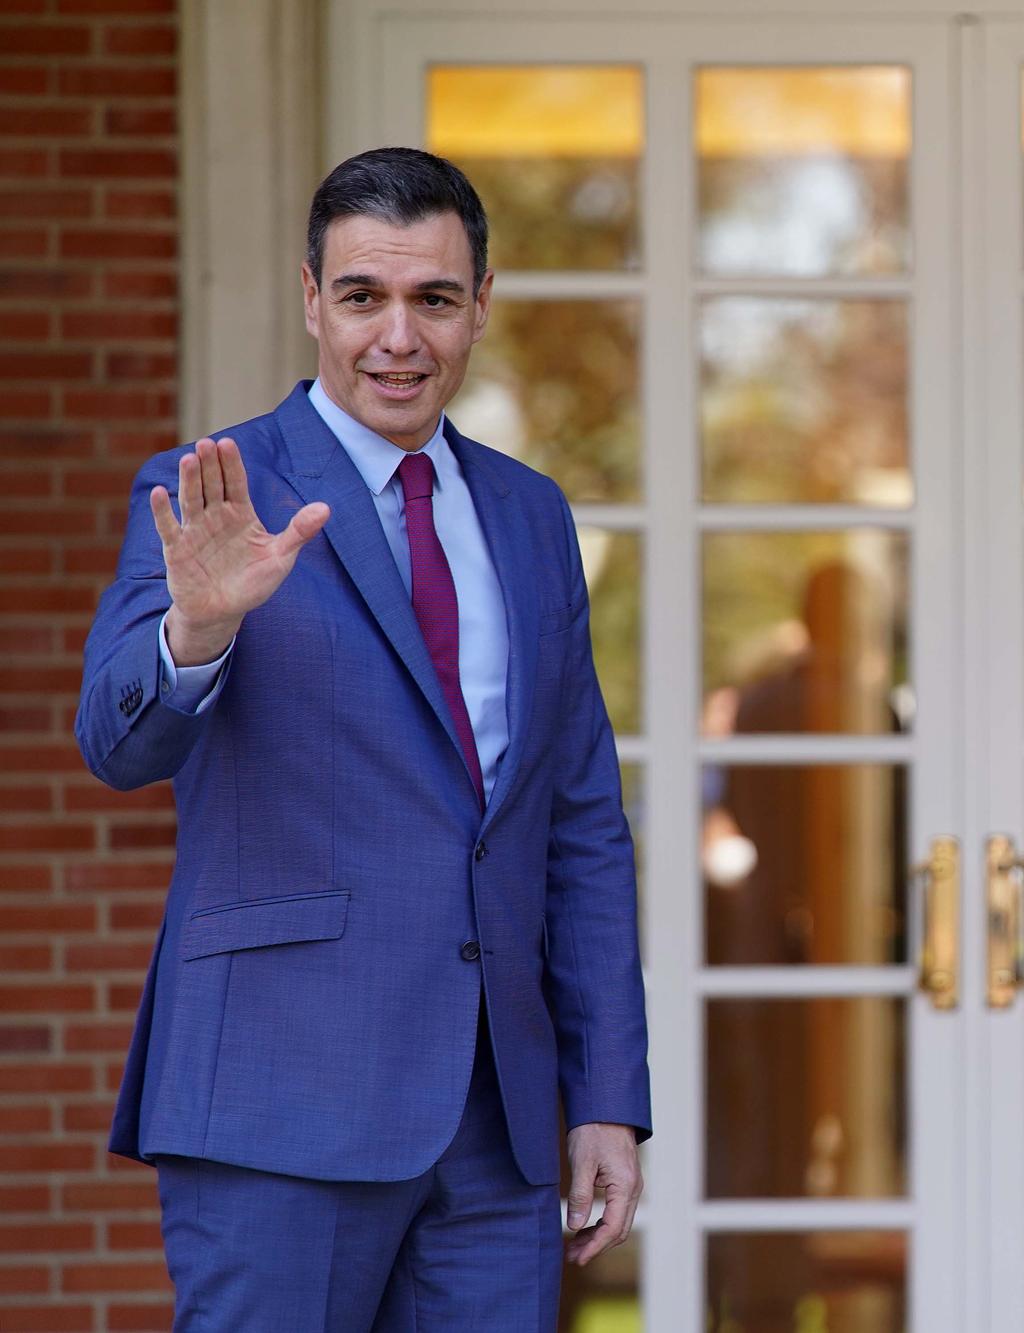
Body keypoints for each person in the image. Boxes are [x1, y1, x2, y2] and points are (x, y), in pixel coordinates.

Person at [74, 147, 650, 1330]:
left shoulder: (531, 517)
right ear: (310, 301)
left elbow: (578, 821)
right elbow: (114, 743)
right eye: (362, 298)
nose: (399, 336)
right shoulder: (214, 492)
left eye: (434, 299)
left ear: (479, 306)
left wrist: (604, 1095)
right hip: (278, 1102)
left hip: (494, 1126)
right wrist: (198, 624)